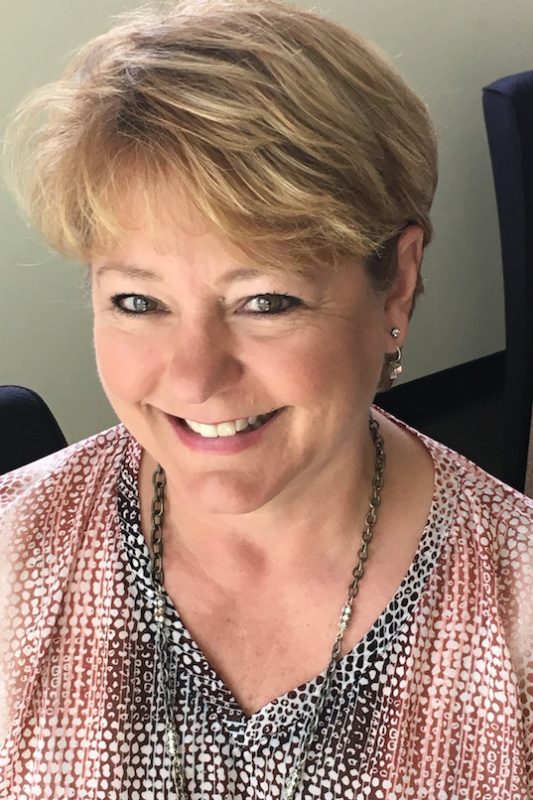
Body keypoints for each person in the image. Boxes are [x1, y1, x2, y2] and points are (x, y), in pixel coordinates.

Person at [0, 0, 531, 797]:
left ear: (399, 286)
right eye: (138, 303)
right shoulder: (14, 560)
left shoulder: (512, 611)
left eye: (266, 301)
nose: (193, 378)